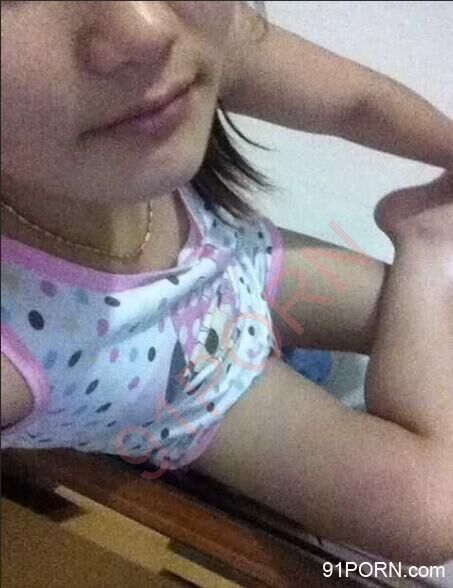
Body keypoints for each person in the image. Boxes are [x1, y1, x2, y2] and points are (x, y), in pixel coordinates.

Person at [1, 1, 452, 567]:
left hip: (240, 260)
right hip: (197, 394)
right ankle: (426, 239)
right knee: (430, 511)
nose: (146, 26)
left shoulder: (189, 38)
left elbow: (360, 103)